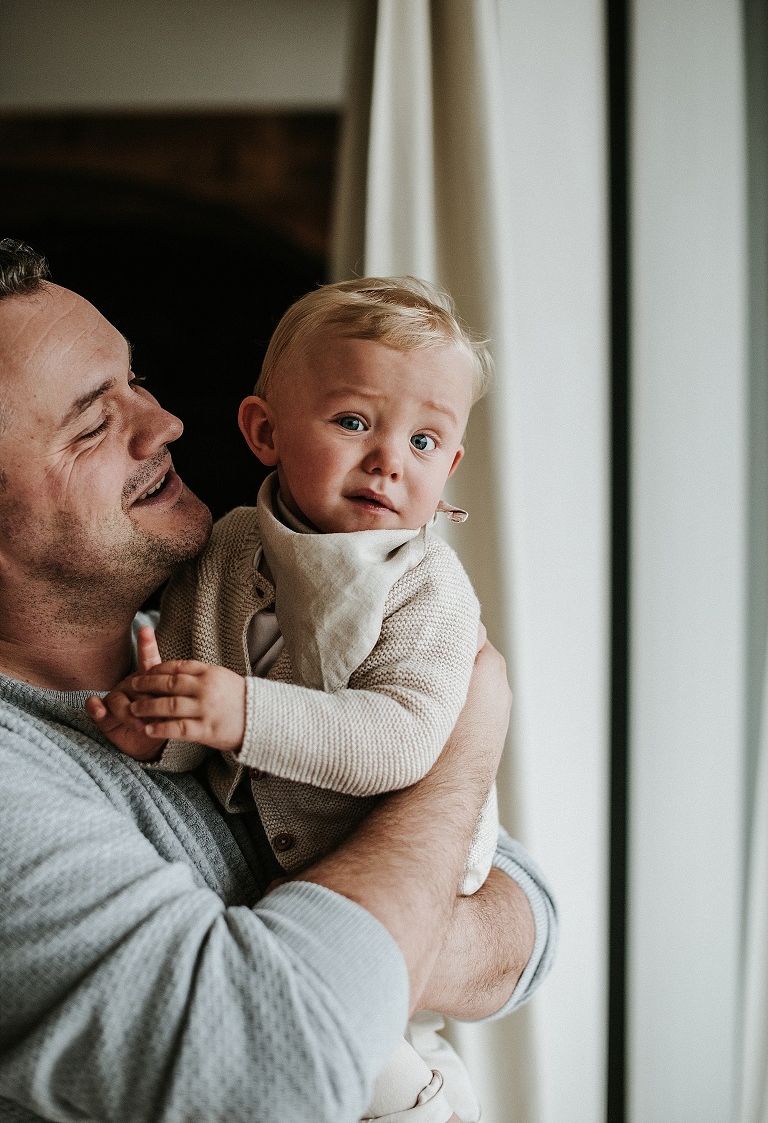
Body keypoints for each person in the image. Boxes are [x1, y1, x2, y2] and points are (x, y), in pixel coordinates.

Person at [0, 239, 557, 1123]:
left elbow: (525, 926)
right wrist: (465, 746)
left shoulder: (343, 589)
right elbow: (280, 1065)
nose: (166, 423)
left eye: (134, 381)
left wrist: (306, 946)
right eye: (94, 424)